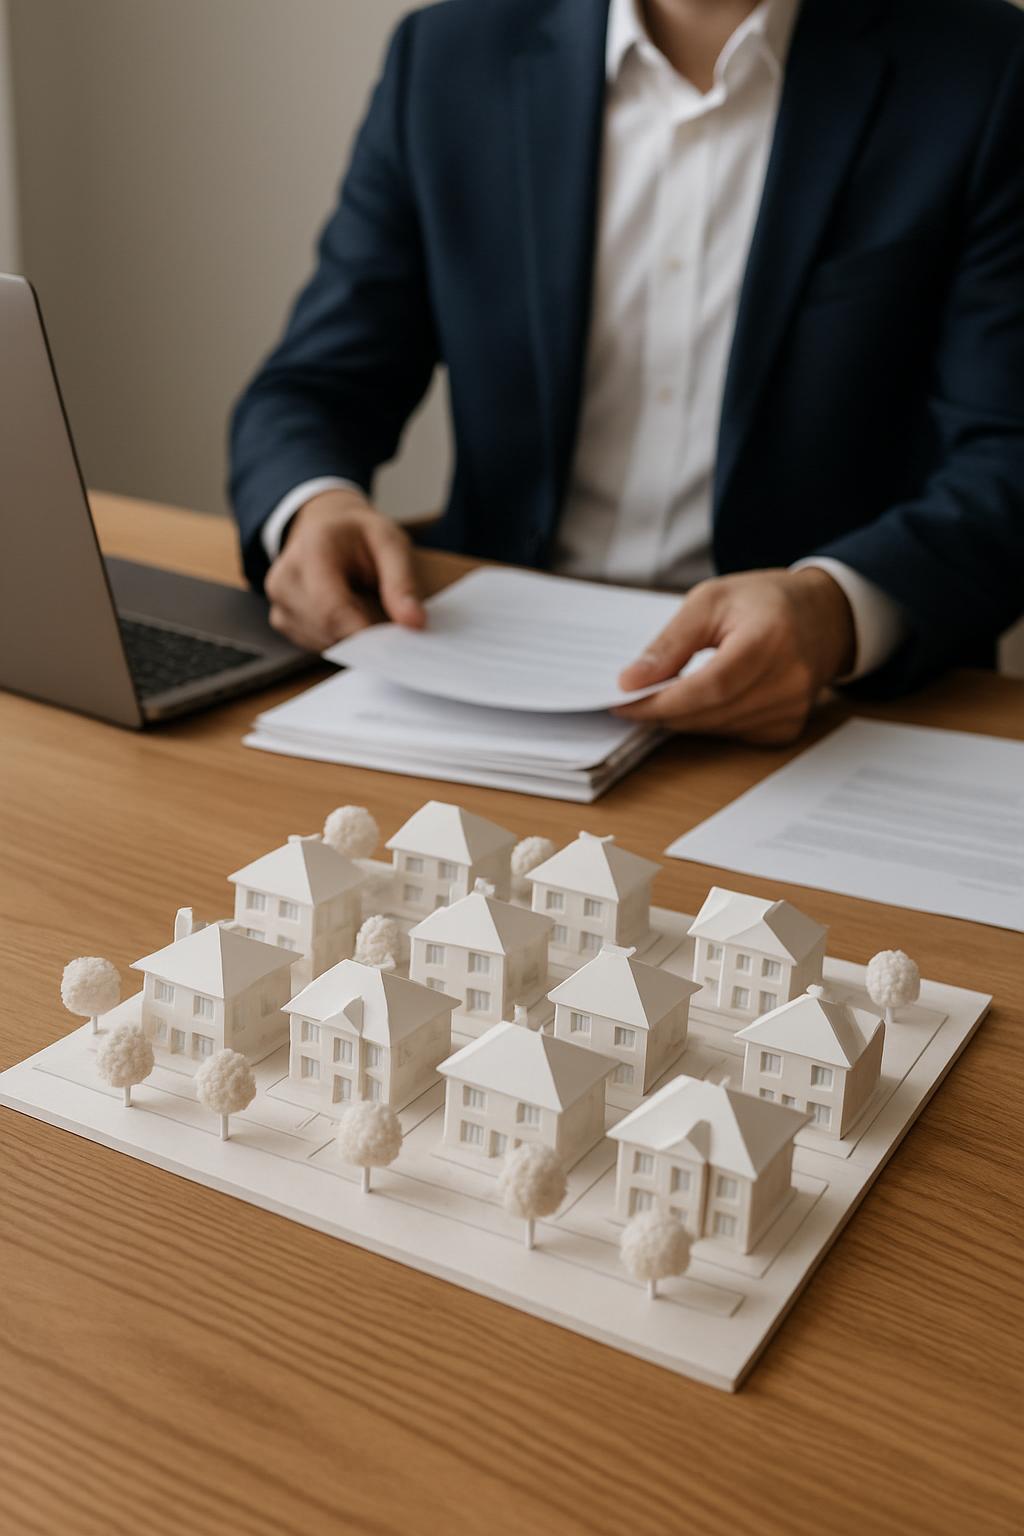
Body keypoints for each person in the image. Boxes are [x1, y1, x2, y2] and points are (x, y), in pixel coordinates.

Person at [229, 0, 1024, 743]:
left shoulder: (984, 66)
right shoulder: (448, 56)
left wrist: (837, 610)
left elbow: (1008, 454)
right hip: (471, 682)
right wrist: (313, 507)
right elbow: (312, 386)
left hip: (825, 715)